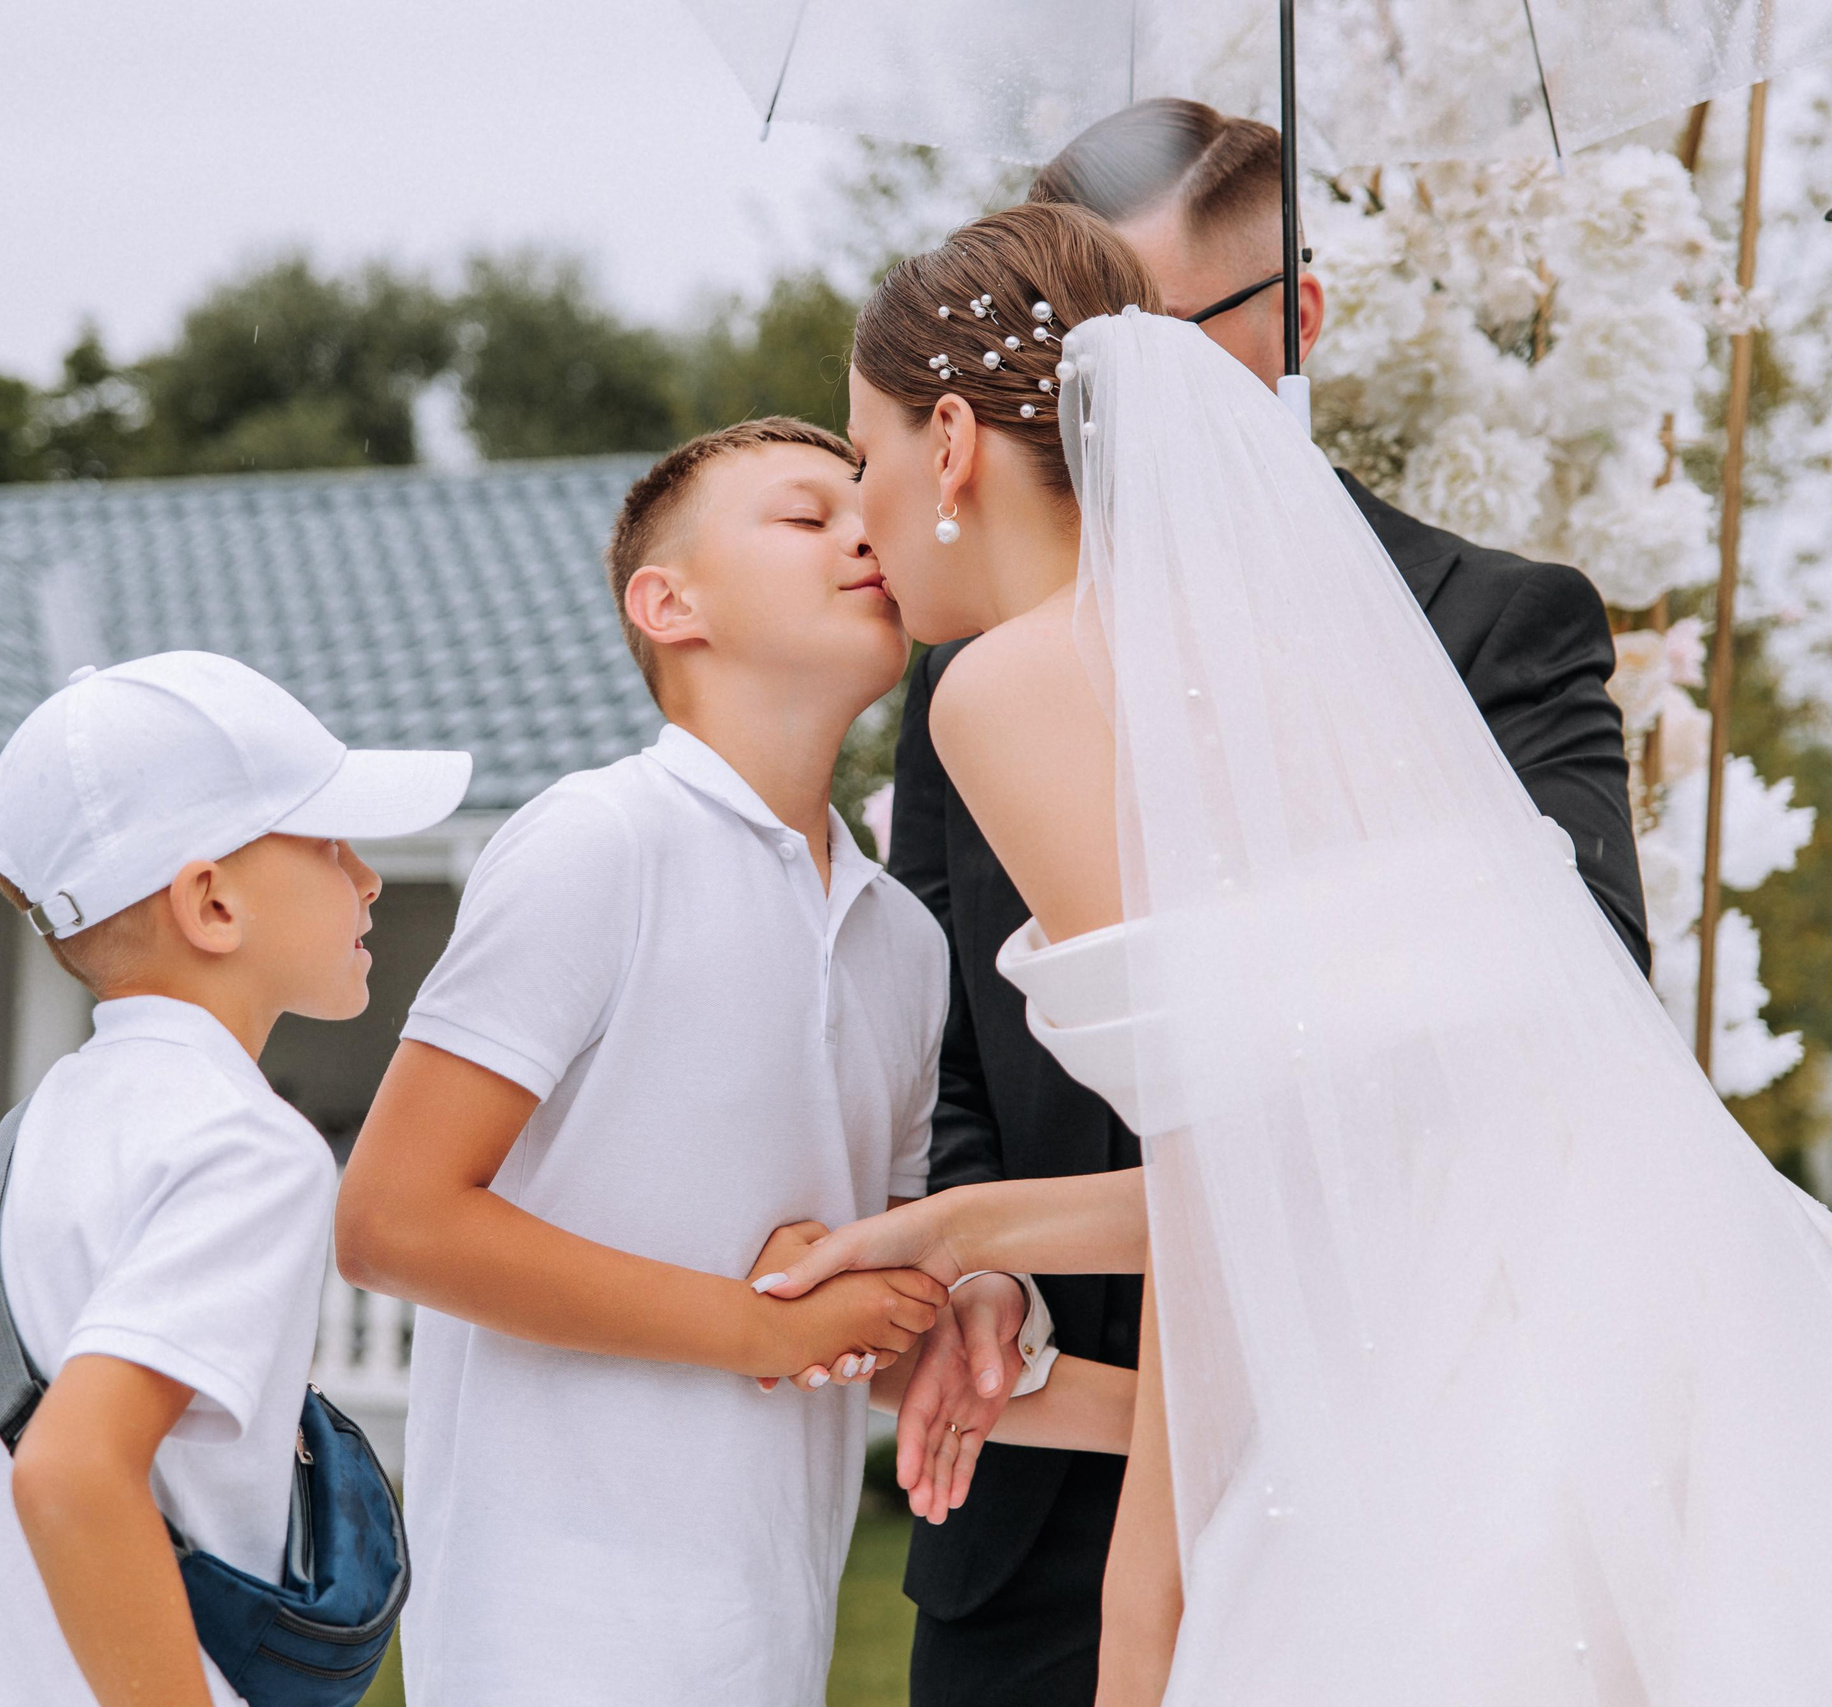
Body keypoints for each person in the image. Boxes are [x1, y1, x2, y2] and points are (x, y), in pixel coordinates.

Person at [768, 201, 1832, 1702]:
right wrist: (955, 1231)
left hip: (1448, 1385)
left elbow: (1233, 1214)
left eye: (862, 456)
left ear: (950, 442)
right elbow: (1328, 1143)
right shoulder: (1266, 654)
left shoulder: (1011, 683)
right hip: (1648, 1315)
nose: (863, 519)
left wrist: (1149, 1617)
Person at [877, 100, 1651, 1707]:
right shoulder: (1129, 671)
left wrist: (1146, 1618)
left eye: (1131, 339)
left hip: (1358, 1452)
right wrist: (969, 1241)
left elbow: (1272, 1161)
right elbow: (973, 1046)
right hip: (1078, 1497)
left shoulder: (1465, 630)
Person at [334, 418, 1020, 1706]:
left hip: (773, 1627)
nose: (864, 530)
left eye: (864, 506)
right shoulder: (596, 844)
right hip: (550, 1634)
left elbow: (875, 1301)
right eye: (805, 517)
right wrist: (751, 1320)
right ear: (668, 604)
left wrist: (924, 1298)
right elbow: (388, 1222)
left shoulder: (905, 942)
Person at [0, 651, 470, 1707]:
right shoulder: (250, 1147)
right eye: (329, 842)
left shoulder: (21, 1146)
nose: (369, 876)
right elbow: (70, 1467)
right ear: (211, 904)